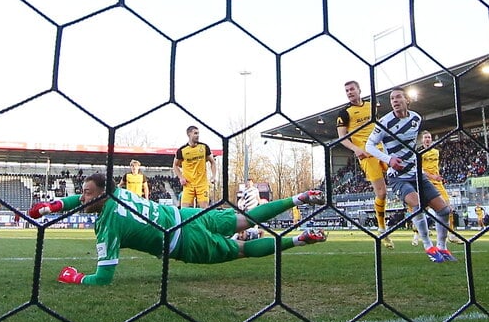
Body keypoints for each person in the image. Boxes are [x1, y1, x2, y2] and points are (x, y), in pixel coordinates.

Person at [28, 172, 326, 286]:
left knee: (243, 249)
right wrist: (54, 206)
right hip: (187, 215)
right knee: (245, 219)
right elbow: (81, 198)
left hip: (184, 243)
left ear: (102, 194)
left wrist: (77, 277)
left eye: (88, 193)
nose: (82, 198)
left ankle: (298, 240)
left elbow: (103, 278)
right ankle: (299, 197)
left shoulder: (108, 227)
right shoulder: (115, 192)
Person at [365, 87, 456, 263]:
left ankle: (442, 247)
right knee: (416, 203)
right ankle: (428, 246)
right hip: (397, 176)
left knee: (444, 209)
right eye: (392, 98)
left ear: (407, 100)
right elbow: (369, 145)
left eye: (398, 97)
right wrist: (389, 159)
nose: (395, 101)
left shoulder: (416, 118)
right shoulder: (384, 123)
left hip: (416, 173)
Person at [336, 80, 394, 249]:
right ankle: (382, 228)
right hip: (366, 155)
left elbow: (378, 127)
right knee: (382, 193)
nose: (349, 92)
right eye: (346, 90)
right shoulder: (344, 113)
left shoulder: (371, 106)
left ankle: (417, 225)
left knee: (404, 178)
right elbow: (341, 137)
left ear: (359, 90)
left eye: (352, 89)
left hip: (382, 150)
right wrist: (355, 149)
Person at [417, 130, 464, 245]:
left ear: (431, 139)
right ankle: (418, 234)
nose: (427, 139)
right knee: (420, 209)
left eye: (429, 137)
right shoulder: (419, 153)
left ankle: (451, 234)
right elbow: (420, 170)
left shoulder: (436, 152)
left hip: (437, 183)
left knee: (448, 208)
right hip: (426, 182)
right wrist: (432, 176)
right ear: (422, 140)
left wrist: (436, 176)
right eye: (425, 138)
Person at [173, 126, 216, 208]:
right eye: (195, 133)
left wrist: (213, 176)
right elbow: (175, 165)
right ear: (189, 134)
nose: (198, 135)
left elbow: (212, 162)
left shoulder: (204, 147)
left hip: (202, 184)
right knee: (184, 209)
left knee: (204, 209)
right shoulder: (182, 150)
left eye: (198, 133)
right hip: (188, 185)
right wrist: (181, 177)